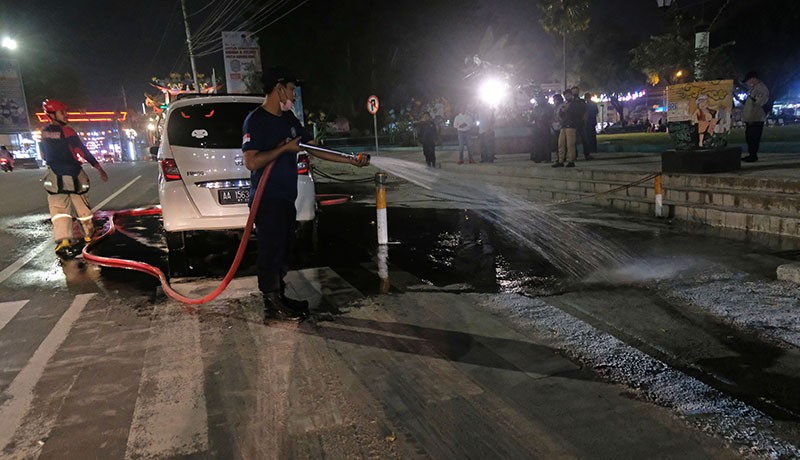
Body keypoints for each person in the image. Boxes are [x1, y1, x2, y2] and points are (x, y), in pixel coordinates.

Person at [242, 66, 369, 322]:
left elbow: (312, 148)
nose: (293, 94)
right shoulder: (255, 120)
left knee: (286, 248)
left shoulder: (289, 121)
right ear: (278, 89)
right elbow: (252, 162)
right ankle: (272, 302)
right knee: (272, 250)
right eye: (291, 89)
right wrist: (283, 149)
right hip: (266, 199)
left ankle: (279, 294)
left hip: (286, 197)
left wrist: (350, 160)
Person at [39, 99, 109, 258]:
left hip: (54, 176)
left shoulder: (43, 133)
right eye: (62, 112)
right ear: (52, 115)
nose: (66, 115)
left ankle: (63, 241)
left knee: (59, 211)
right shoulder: (69, 132)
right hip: (74, 174)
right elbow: (82, 151)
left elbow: (43, 155)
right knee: (82, 207)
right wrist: (98, 168)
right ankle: (89, 235)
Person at [741, 71, 769, 162]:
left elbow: (758, 104)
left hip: (756, 118)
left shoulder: (760, 88)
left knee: (753, 137)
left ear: (753, 78)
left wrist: (752, 117)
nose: (748, 83)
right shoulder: (755, 88)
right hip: (752, 118)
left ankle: (753, 155)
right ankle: (751, 154)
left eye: (748, 80)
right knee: (750, 137)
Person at [553, 90, 582, 168]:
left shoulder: (575, 104)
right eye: (565, 95)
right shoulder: (565, 104)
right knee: (561, 143)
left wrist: (568, 110)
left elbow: (577, 114)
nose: (567, 96)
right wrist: (562, 112)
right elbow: (560, 114)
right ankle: (560, 160)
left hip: (571, 125)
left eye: (568, 95)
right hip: (564, 125)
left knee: (570, 144)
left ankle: (571, 160)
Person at [530, 94, 553, 163]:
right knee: (538, 143)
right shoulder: (536, 108)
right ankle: (538, 157)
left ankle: (547, 158)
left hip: (545, 127)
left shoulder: (548, 107)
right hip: (537, 127)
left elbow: (550, 116)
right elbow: (532, 117)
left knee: (546, 143)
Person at [583, 92, 599, 159]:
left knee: (589, 136)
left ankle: (591, 148)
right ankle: (594, 148)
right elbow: (596, 112)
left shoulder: (586, 105)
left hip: (588, 122)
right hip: (593, 121)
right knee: (593, 136)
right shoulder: (593, 104)